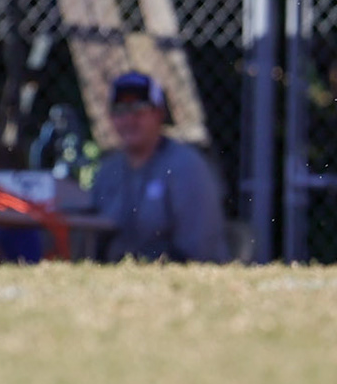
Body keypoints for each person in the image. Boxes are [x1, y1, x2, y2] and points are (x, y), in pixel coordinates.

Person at [88, 70, 230, 263]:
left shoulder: (186, 166)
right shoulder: (108, 170)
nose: (129, 120)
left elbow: (198, 249)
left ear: (159, 114)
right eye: (120, 110)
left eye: (138, 109)